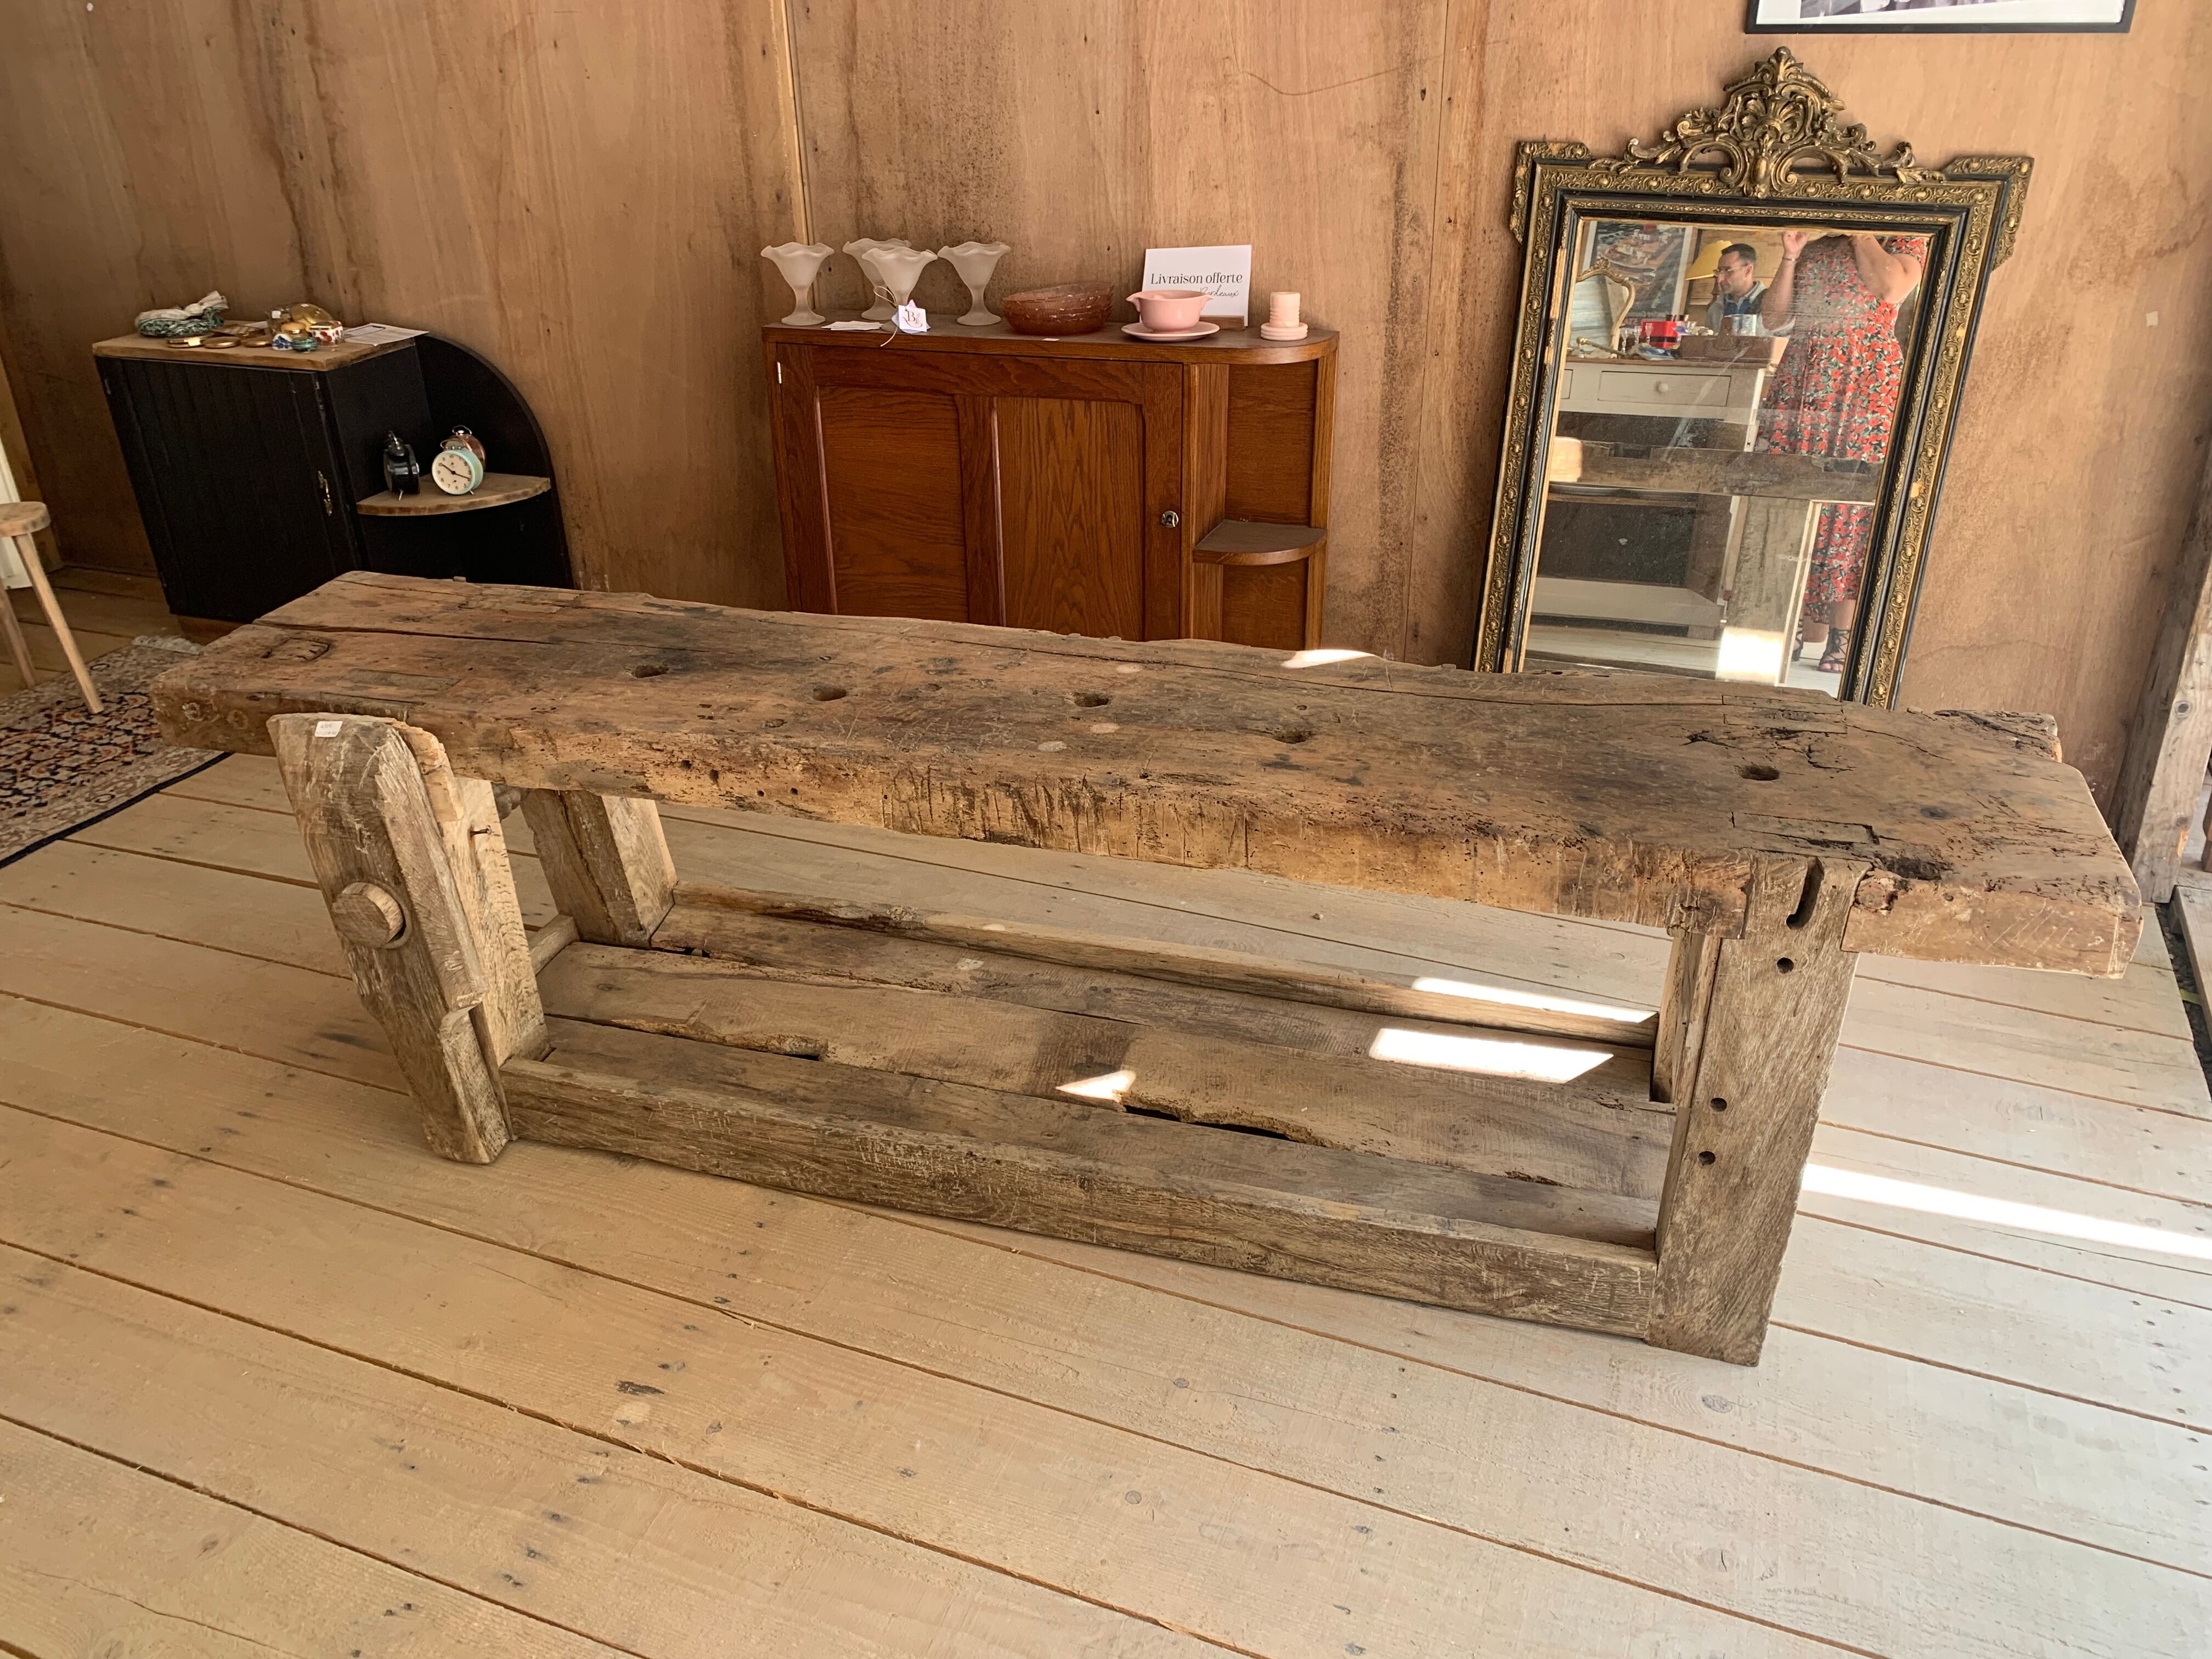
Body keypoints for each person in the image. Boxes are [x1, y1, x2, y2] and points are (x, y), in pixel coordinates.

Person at [1756, 228, 1926, 674]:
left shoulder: (1901, 241)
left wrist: (1861, 232)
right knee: (1789, 494)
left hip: (1863, 381)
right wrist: (1791, 256)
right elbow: (1773, 321)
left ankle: (1842, 635)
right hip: (1804, 376)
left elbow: (1891, 288)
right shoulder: (1816, 241)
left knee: (1849, 506)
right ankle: (1787, 619)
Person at [1703, 243, 1778, 335]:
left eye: (1728, 270)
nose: (1720, 279)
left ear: (1748, 270)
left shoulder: (1773, 304)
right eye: (1719, 271)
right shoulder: (1716, 307)